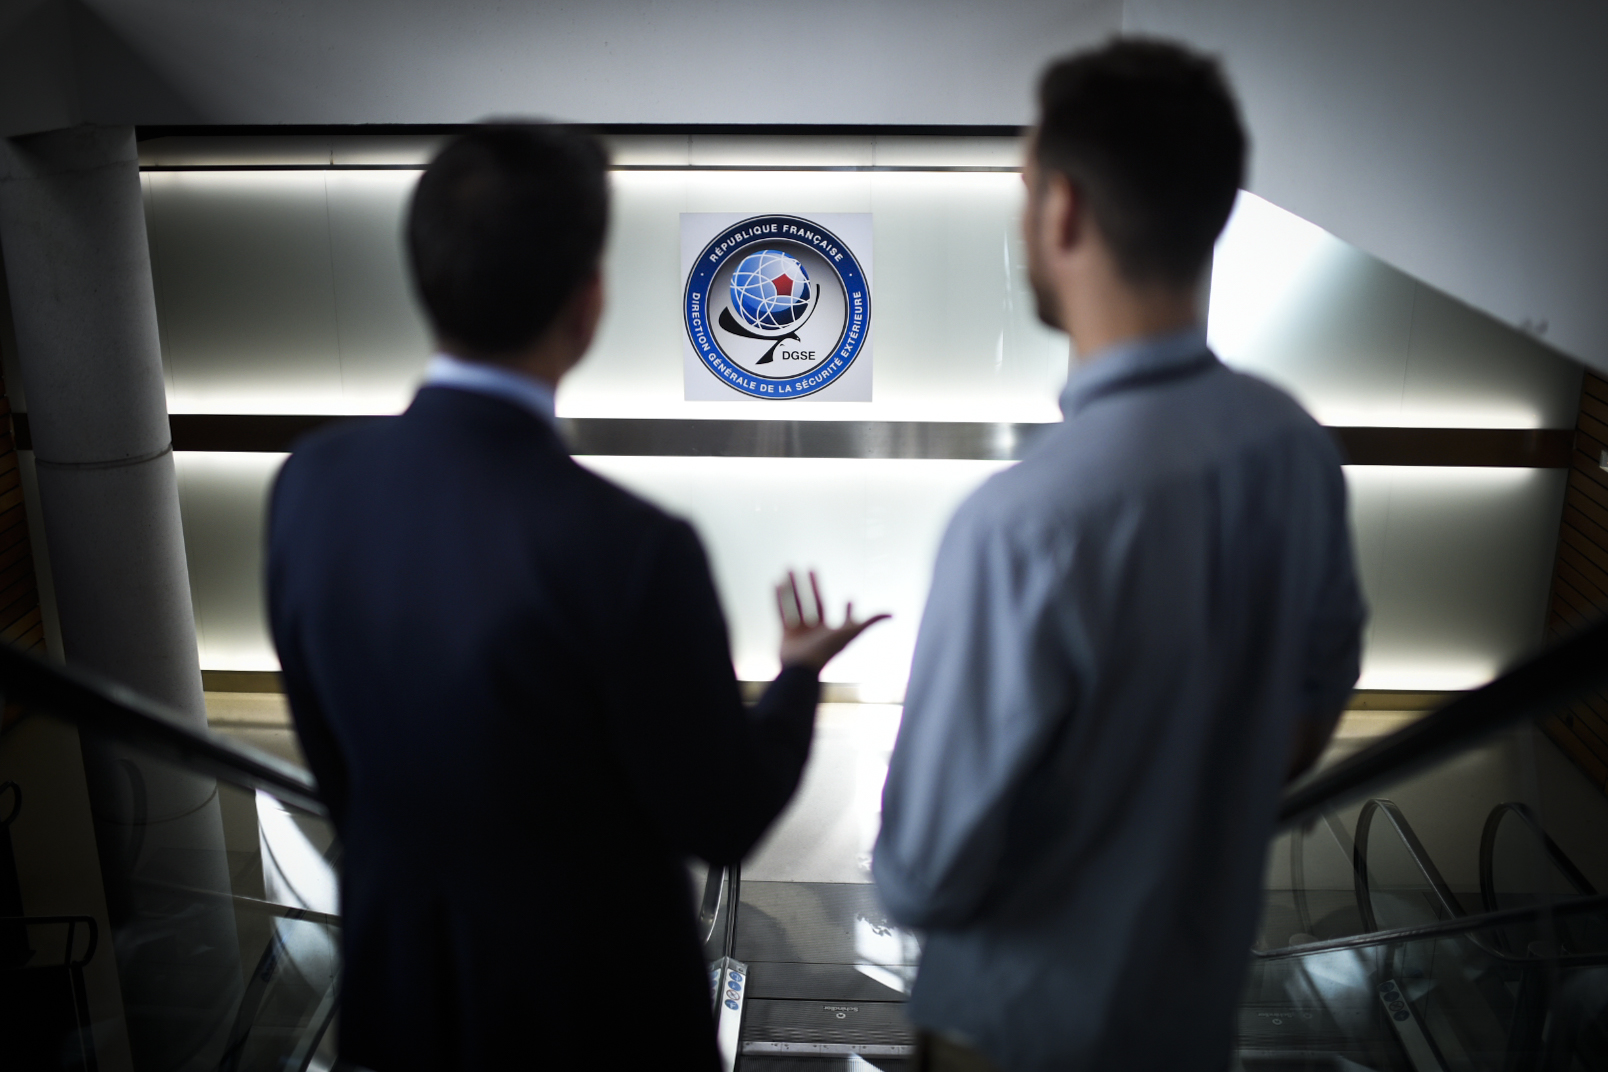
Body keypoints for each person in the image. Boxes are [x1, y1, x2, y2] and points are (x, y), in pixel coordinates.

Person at [267, 124, 885, 1071]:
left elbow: (342, 773)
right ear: (588, 303)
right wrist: (798, 680)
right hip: (598, 1024)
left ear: (423, 276)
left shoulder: (310, 488)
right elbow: (721, 815)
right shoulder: (632, 549)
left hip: (402, 1014)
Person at [872, 40, 1366, 1072]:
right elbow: (1315, 698)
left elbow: (922, 877)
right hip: (1189, 1023)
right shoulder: (1293, 447)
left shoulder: (1020, 526)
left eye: (1024, 185)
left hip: (1014, 1034)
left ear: (1062, 213)